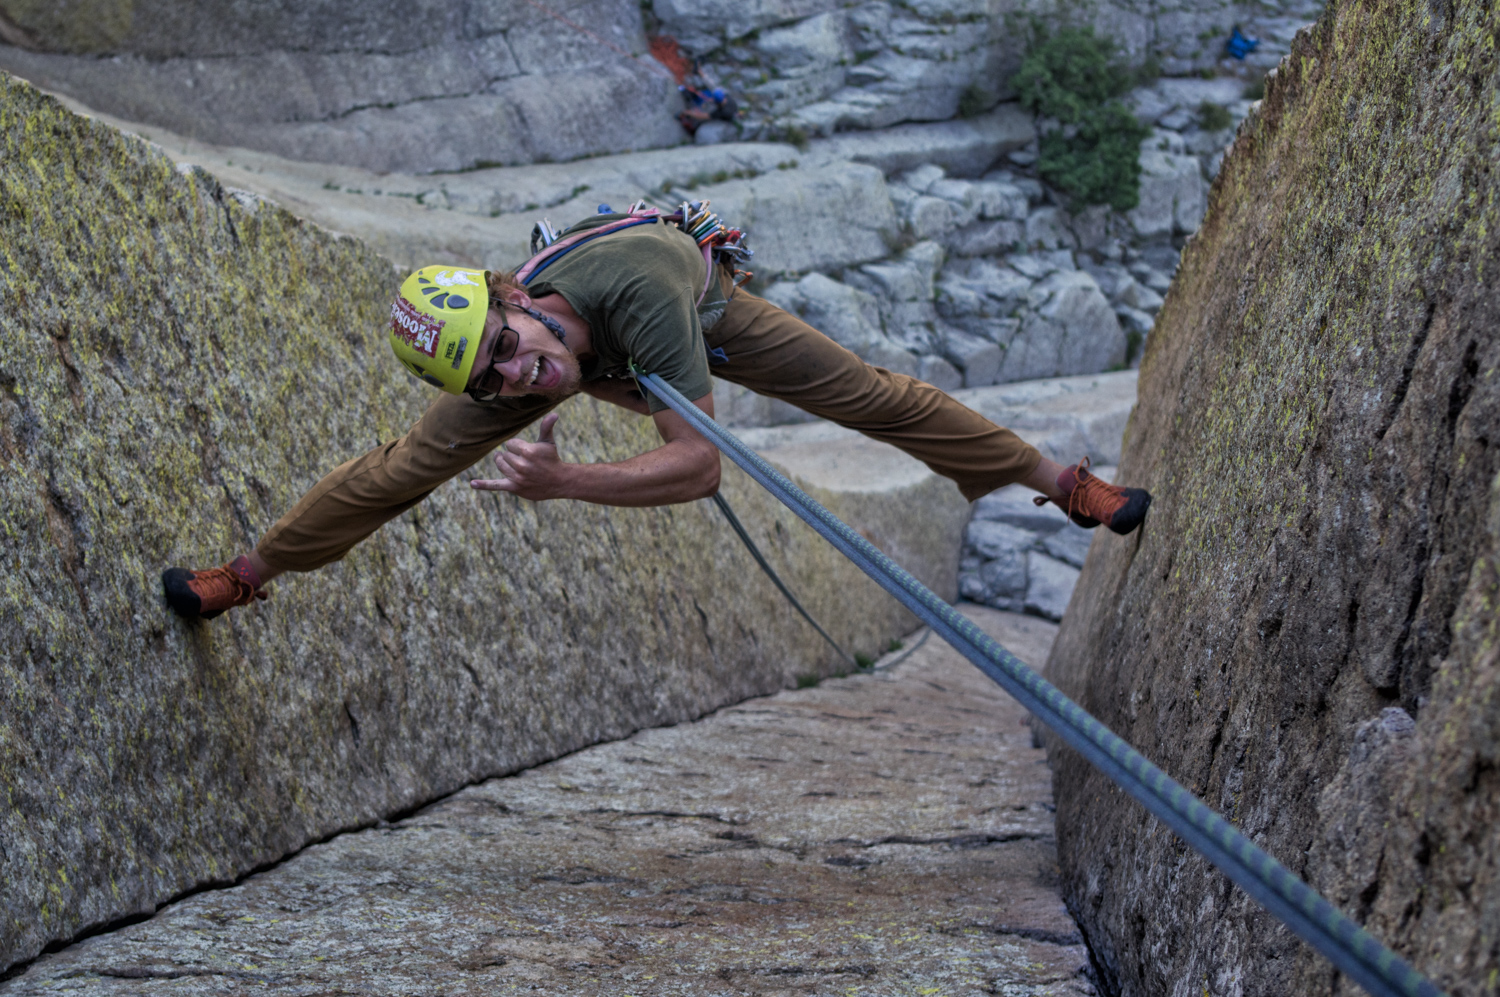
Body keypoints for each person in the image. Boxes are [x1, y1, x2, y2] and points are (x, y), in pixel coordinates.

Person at [162, 208, 1150, 619]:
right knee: (395, 472)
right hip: (608, 348)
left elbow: (703, 464)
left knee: (866, 398)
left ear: (515, 299)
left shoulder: (631, 286)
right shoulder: (507, 371)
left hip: (699, 315)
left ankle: (1057, 483)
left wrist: (564, 481)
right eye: (487, 380)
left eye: (507, 345)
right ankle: (247, 576)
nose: (517, 377)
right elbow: (423, 449)